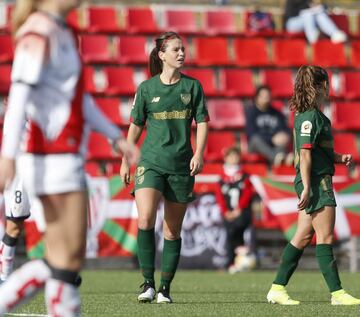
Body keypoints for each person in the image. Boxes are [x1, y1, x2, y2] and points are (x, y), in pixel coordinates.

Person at [0, 0, 138, 315]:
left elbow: (80, 98)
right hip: (50, 156)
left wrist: (116, 137)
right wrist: (7, 157)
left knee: (64, 260)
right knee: (66, 260)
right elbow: (19, 95)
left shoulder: (64, 30)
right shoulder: (38, 31)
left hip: (67, 154)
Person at [120, 31, 209, 304]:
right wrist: (126, 158)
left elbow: (203, 122)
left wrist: (199, 153)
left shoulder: (193, 87)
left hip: (181, 164)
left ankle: (164, 289)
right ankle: (147, 283)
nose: (181, 54)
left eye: (183, 49)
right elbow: (135, 127)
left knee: (172, 231)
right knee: (145, 218)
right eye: (175, 50)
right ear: (162, 55)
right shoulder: (146, 89)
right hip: (151, 162)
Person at [267, 65, 360, 305]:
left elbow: (317, 151)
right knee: (326, 235)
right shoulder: (309, 118)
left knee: (303, 235)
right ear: (321, 86)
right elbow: (305, 155)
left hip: (317, 178)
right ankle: (337, 293)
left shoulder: (314, 116)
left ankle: (277, 288)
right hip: (316, 181)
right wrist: (307, 187)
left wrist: (339, 158)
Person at [216, 147, 256, 273]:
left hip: (241, 212)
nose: (234, 159)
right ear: (226, 158)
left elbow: (247, 193)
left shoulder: (245, 176)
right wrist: (225, 211)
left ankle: (236, 261)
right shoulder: (222, 178)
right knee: (230, 235)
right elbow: (219, 197)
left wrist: (239, 209)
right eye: (231, 156)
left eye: (236, 156)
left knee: (236, 233)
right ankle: (233, 261)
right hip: (228, 213)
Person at [246, 85, 293, 167]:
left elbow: (285, 129)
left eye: (268, 96)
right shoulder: (251, 113)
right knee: (255, 140)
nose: (266, 98)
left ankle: (280, 160)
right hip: (257, 146)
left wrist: (285, 135)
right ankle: (278, 158)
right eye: (263, 96)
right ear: (257, 97)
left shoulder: (276, 113)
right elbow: (251, 133)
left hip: (274, 146)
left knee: (282, 142)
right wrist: (271, 139)